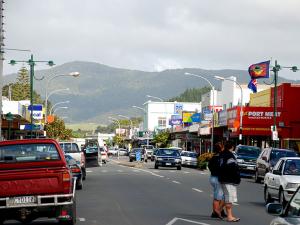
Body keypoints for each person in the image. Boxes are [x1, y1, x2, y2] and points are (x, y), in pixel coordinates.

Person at [218, 140, 241, 222]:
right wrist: (237, 176)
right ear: (232, 147)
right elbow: (232, 168)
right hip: (229, 179)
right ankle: (229, 216)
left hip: (223, 178)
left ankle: (218, 209)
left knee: (227, 196)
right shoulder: (229, 155)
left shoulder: (222, 154)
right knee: (229, 198)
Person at [208, 142, 226, 220]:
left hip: (213, 177)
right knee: (218, 197)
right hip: (217, 178)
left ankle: (220, 211)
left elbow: (209, 166)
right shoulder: (220, 158)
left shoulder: (213, 157)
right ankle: (216, 212)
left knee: (221, 196)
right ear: (221, 149)